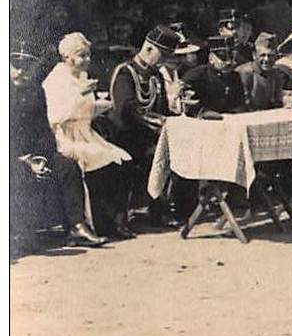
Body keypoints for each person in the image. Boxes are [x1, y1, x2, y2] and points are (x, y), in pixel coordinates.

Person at [14, 50, 107, 249]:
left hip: (36, 153)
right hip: (12, 157)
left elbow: (43, 129)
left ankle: (76, 227)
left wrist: (43, 157)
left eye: (27, 66)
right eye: (16, 66)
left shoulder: (34, 92)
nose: (21, 71)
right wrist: (22, 160)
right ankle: (18, 234)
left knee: (68, 165)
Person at [43, 32, 129, 240]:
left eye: (88, 55)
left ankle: (108, 222)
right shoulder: (55, 80)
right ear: (67, 57)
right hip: (66, 137)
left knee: (120, 158)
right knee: (96, 158)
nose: (87, 60)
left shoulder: (81, 76)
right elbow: (56, 117)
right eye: (82, 56)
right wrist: (80, 94)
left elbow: (86, 111)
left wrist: (104, 105)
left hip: (86, 133)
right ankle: (80, 227)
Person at [108, 25, 181, 230]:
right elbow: (126, 109)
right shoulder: (125, 72)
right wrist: (158, 123)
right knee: (155, 153)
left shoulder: (155, 75)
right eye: (162, 55)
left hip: (150, 136)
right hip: (125, 136)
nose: (164, 61)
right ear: (148, 49)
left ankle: (160, 210)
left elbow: (164, 109)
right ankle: (130, 215)